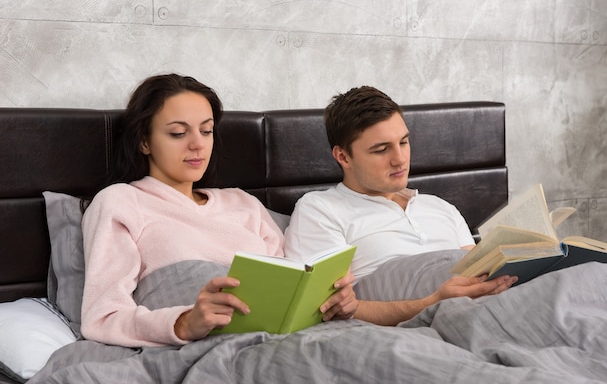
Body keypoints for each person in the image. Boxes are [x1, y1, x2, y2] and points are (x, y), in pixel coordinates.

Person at [79, 74, 357, 348]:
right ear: (144, 141)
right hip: (210, 346)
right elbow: (103, 316)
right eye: (178, 132)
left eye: (206, 130)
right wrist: (184, 322)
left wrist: (329, 303)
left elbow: (289, 286)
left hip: (286, 340)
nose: (197, 144)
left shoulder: (243, 203)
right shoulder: (121, 202)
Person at [284, 86, 517, 326]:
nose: (400, 159)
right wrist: (433, 303)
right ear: (343, 157)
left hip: (490, 310)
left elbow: (479, 272)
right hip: (425, 324)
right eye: (382, 149)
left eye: (404, 142)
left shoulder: (441, 207)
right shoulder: (321, 210)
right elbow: (328, 309)